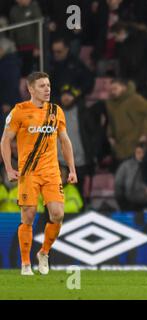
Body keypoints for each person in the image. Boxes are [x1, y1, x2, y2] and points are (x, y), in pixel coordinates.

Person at [0, 72, 78, 276]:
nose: (47, 89)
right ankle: (25, 263)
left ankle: (44, 253)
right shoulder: (19, 111)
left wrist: (71, 169)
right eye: (42, 85)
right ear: (31, 89)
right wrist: (9, 168)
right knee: (28, 216)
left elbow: (65, 141)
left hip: (51, 171)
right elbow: (5, 140)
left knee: (58, 214)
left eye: (49, 85)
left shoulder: (56, 111)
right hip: (28, 173)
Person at [106, 78, 147, 163]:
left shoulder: (135, 99)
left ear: (124, 87)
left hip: (137, 145)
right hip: (121, 147)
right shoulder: (111, 104)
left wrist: (145, 134)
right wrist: (110, 136)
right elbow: (111, 121)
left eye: (115, 88)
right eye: (111, 90)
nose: (113, 92)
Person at [115, 143, 147, 211]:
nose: (141, 155)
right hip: (129, 204)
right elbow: (118, 185)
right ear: (135, 153)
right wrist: (122, 203)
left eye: (144, 152)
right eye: (139, 153)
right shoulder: (126, 166)